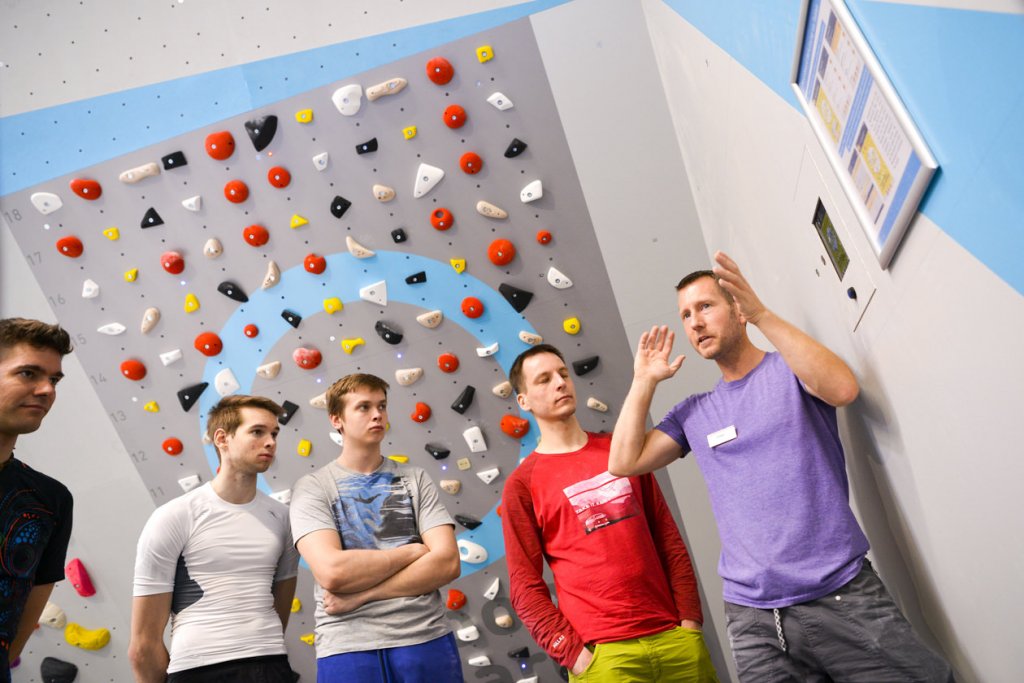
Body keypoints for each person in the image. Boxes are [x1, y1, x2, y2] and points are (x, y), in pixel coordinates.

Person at [608, 251, 954, 682]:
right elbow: (624, 461)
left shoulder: (789, 372)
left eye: (705, 307)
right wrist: (644, 381)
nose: (694, 322)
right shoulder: (694, 413)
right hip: (753, 618)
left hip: (840, 596)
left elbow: (843, 388)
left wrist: (762, 314)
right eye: (685, 315)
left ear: (736, 308)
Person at [502, 344, 718, 682]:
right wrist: (574, 656)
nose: (560, 383)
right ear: (523, 402)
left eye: (563, 374)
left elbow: (668, 540)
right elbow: (524, 586)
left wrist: (690, 621)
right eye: (544, 379)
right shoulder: (522, 484)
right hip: (604, 657)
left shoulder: (621, 451)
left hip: (676, 640)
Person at [290, 373, 462, 682]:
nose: (377, 415)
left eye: (381, 406)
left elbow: (447, 563)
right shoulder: (314, 487)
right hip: (347, 646)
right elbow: (333, 572)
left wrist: (361, 595)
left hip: (425, 638)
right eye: (363, 407)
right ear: (336, 419)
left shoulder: (415, 478)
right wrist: (412, 552)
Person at [129, 395, 299, 683]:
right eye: (257, 432)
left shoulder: (283, 518)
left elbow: (280, 611)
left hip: (271, 664)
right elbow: (143, 646)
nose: (270, 442)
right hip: (198, 669)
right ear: (222, 438)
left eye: (274, 433)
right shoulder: (175, 516)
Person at [0, 318, 73, 683]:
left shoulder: (50, 500)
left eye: (54, 380)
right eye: (28, 373)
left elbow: (19, 627)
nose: (46, 390)